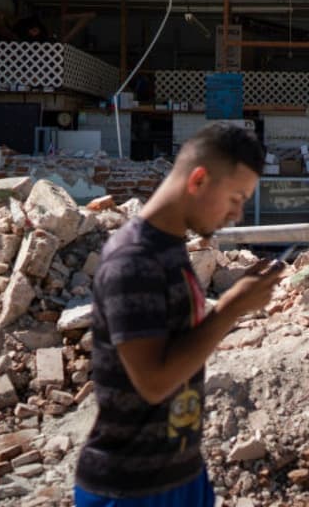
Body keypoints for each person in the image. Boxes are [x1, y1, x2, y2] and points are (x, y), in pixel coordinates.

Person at [75, 123, 285, 507]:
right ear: (200, 179)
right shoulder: (133, 260)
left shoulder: (170, 249)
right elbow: (153, 383)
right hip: (129, 490)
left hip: (181, 475)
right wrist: (232, 308)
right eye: (235, 198)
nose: (237, 215)